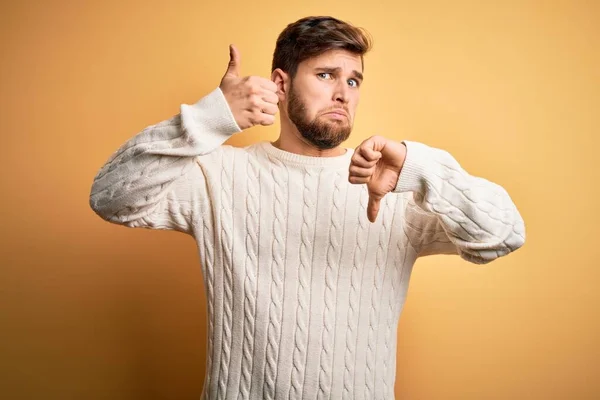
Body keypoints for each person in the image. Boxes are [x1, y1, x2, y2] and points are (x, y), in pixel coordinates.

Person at [89, 15, 525, 400]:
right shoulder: (218, 176)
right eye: (325, 75)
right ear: (280, 84)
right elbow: (111, 197)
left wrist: (420, 168)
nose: (343, 94)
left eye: (353, 80)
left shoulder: (392, 185)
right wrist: (208, 117)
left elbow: (504, 235)